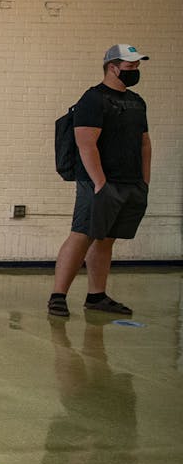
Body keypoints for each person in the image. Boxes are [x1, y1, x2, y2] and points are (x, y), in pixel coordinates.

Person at [48, 44, 150, 319]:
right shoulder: (92, 99)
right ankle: (58, 296)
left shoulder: (137, 102)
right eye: (130, 66)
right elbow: (85, 144)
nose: (135, 71)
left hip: (128, 181)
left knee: (106, 239)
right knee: (83, 234)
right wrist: (100, 183)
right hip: (97, 182)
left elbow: (144, 144)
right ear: (112, 67)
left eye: (137, 66)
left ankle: (96, 296)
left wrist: (144, 181)